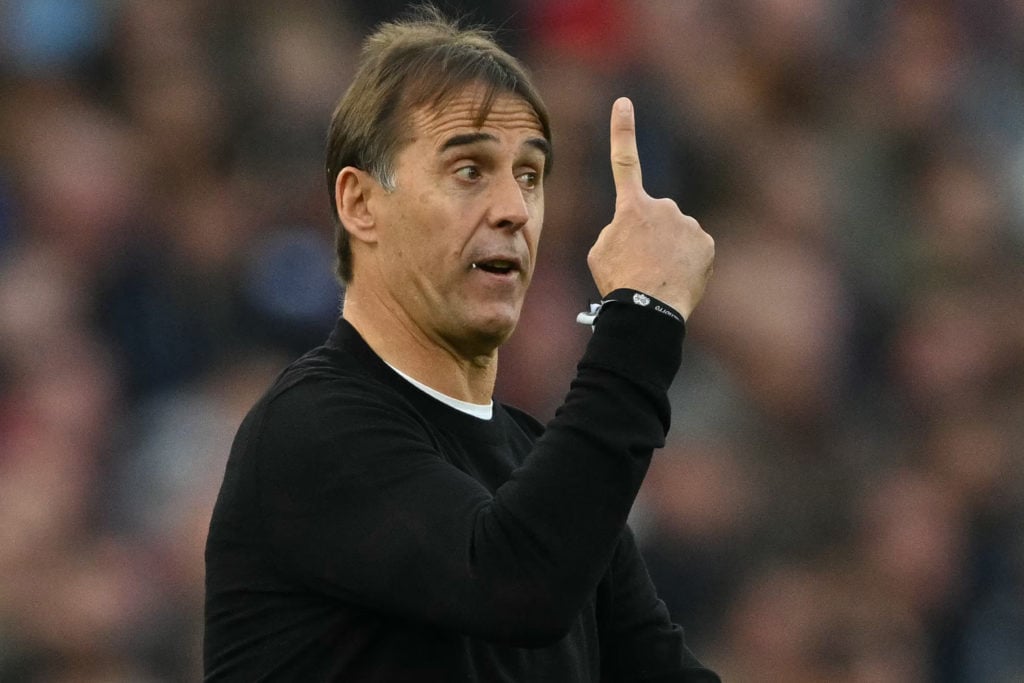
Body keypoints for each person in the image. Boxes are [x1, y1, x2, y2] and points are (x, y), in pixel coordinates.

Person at [204, 5, 717, 681]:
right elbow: (516, 584)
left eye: (530, 176)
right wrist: (640, 319)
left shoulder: (540, 471)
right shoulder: (311, 427)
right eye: (469, 170)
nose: (513, 208)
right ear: (360, 204)